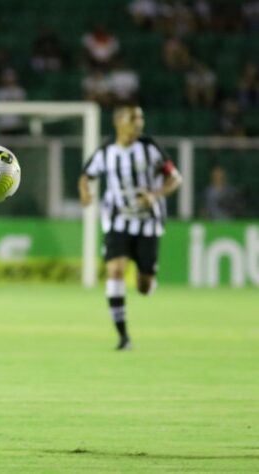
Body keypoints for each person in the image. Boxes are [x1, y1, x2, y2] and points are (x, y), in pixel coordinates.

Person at [78, 106, 182, 350]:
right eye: (133, 118)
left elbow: (175, 178)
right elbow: (86, 175)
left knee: (144, 286)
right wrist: (85, 192)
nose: (139, 122)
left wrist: (155, 195)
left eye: (141, 118)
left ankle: (147, 279)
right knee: (115, 270)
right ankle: (123, 336)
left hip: (148, 222)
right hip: (118, 221)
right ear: (118, 123)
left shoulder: (150, 148)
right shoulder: (106, 152)